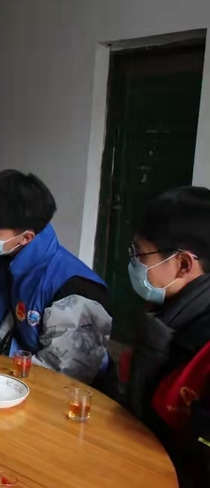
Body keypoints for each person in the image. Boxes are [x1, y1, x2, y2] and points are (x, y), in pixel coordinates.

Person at [0, 170, 112, 384]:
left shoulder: (75, 289)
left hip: (62, 392)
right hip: (10, 376)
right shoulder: (1, 267)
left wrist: (3, 385)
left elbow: (64, 376)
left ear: (26, 237)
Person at [121, 186, 210, 487]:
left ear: (183, 264)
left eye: (140, 253)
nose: (133, 262)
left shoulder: (202, 345)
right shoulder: (165, 313)